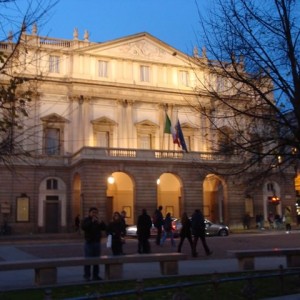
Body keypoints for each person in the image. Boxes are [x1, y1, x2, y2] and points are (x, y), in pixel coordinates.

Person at [81, 207, 106, 281]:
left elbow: (104, 228)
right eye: (93, 212)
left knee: (96, 260)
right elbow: (84, 227)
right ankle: (87, 275)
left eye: (96, 212)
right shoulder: (86, 220)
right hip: (89, 242)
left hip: (97, 242)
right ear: (89, 213)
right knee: (88, 260)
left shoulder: (98, 221)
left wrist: (101, 223)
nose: (94, 214)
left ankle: (95, 275)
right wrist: (91, 221)